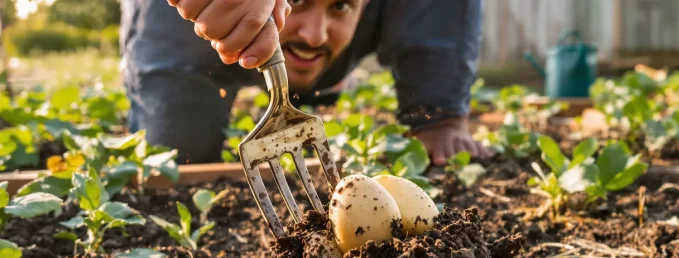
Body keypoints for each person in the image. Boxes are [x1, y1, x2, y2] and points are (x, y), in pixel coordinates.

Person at [120, 0, 491, 166]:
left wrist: (439, 113)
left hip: (337, 34)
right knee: (176, 150)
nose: (315, 35)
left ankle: (317, 84)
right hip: (191, 21)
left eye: (339, 5)